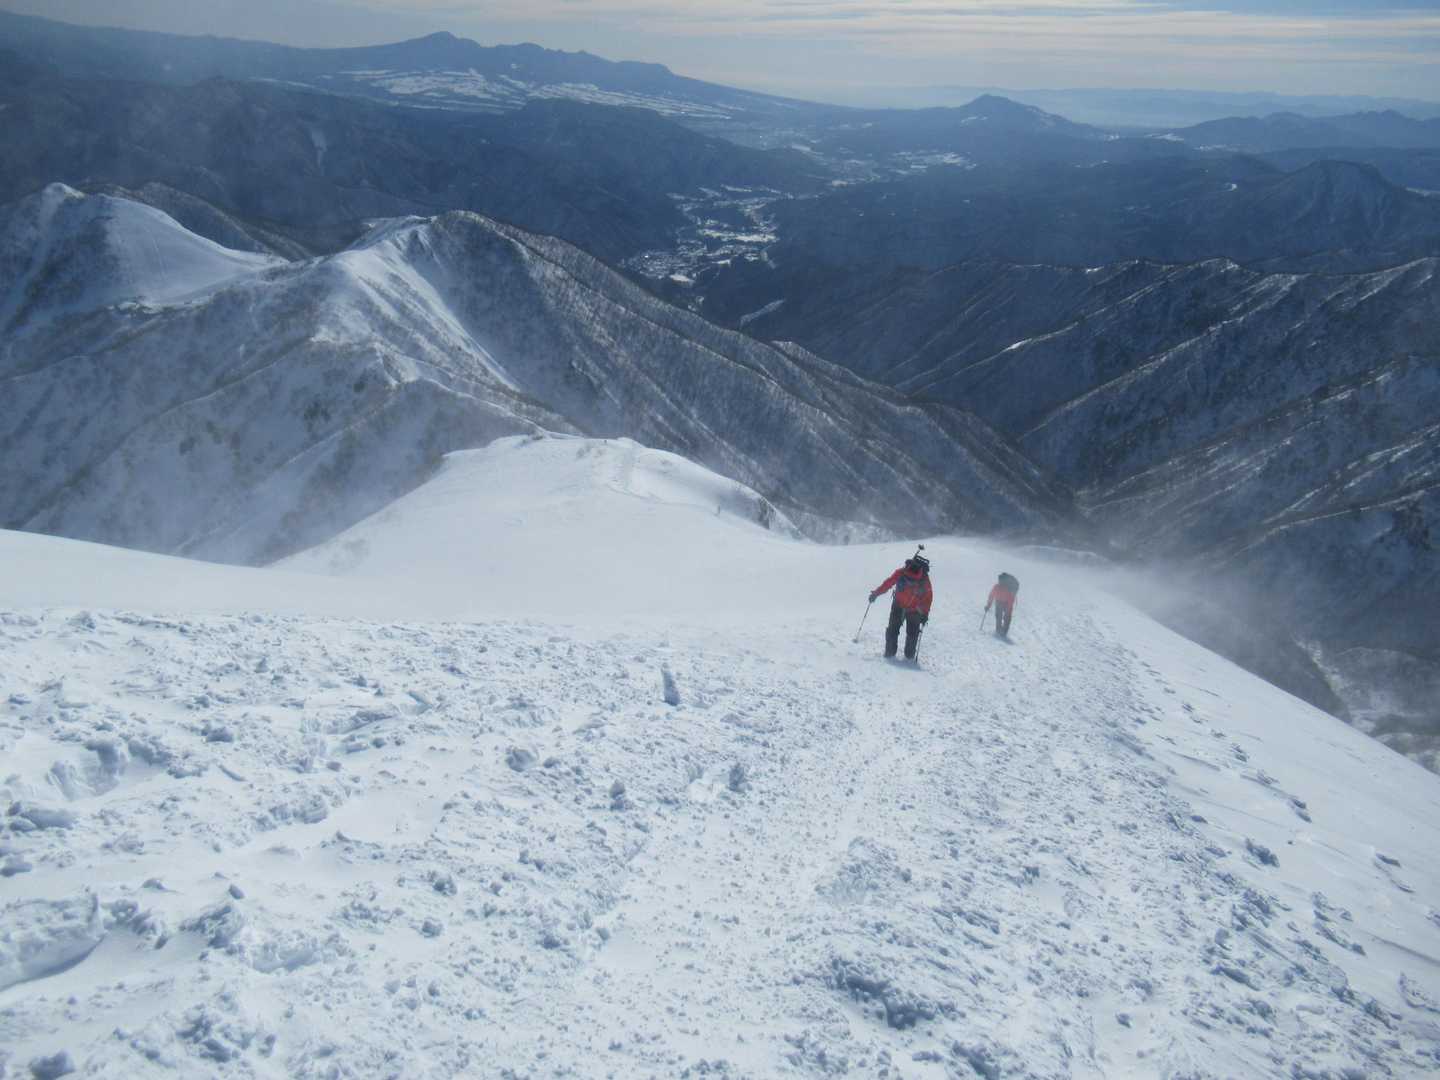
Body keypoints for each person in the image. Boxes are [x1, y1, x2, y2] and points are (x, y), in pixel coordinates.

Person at [869, 551, 933, 660]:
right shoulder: (924, 579)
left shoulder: (902, 572)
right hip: (915, 610)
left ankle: (889, 654)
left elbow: (888, 583)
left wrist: (876, 593)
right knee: (912, 635)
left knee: (892, 630)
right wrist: (925, 614)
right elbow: (928, 598)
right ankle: (909, 658)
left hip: (898, 605)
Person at [986, 572, 1019, 637]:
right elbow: (991, 596)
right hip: (1001, 603)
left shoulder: (1005, 588)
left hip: (1003, 603)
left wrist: (988, 605)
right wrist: (988, 605)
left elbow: (1011, 600)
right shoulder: (998, 587)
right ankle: (1001, 631)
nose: (999, 581)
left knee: (1004, 617)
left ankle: (1002, 632)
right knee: (1001, 617)